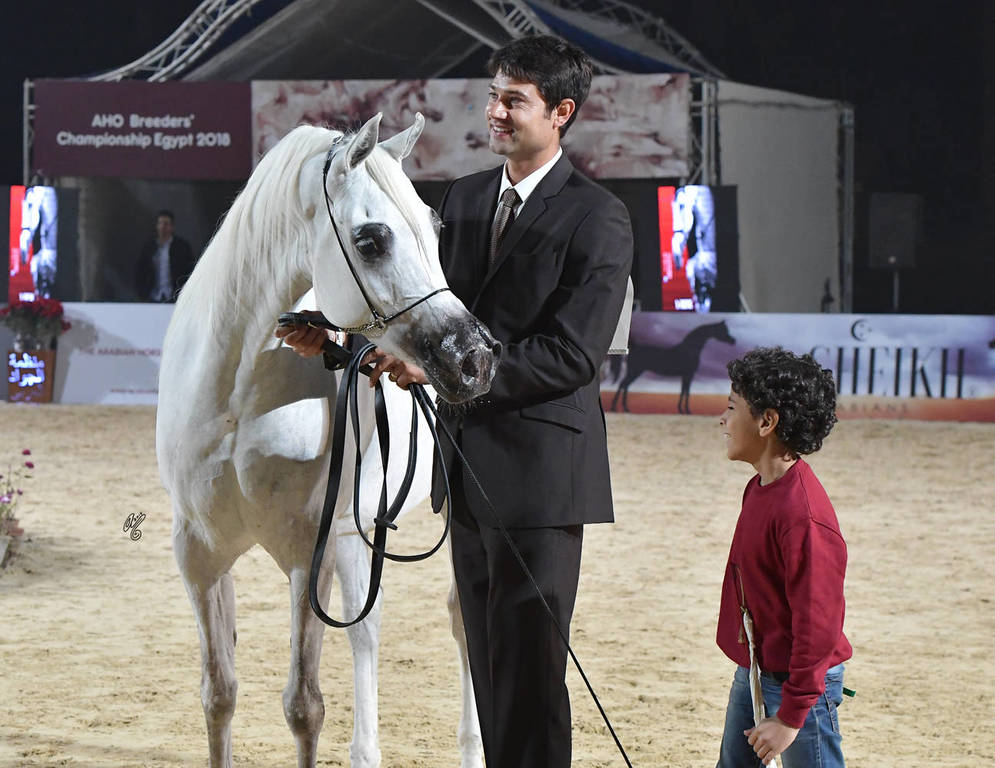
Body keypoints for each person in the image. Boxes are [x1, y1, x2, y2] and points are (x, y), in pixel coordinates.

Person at [279, 35, 633, 768]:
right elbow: (426, 329)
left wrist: (442, 376)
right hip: (463, 477)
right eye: (493, 94)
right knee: (489, 668)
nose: (493, 111)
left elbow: (570, 356)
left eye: (514, 100)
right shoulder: (462, 198)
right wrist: (343, 348)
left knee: (530, 680)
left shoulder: (598, 217)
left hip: (541, 478)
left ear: (560, 112)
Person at [716, 347, 851, 768]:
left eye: (732, 407)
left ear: (766, 421)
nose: (722, 419)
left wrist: (791, 716)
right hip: (758, 669)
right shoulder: (758, 486)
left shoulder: (803, 517)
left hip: (800, 686)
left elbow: (818, 624)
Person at [136, 209, 196, 302]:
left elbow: (189, 270)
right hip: (153, 297)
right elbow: (141, 271)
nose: (162, 227)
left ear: (172, 227)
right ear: (156, 226)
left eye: (166, 224)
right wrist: (143, 294)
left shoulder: (182, 247)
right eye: (160, 223)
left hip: (174, 297)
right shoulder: (149, 247)